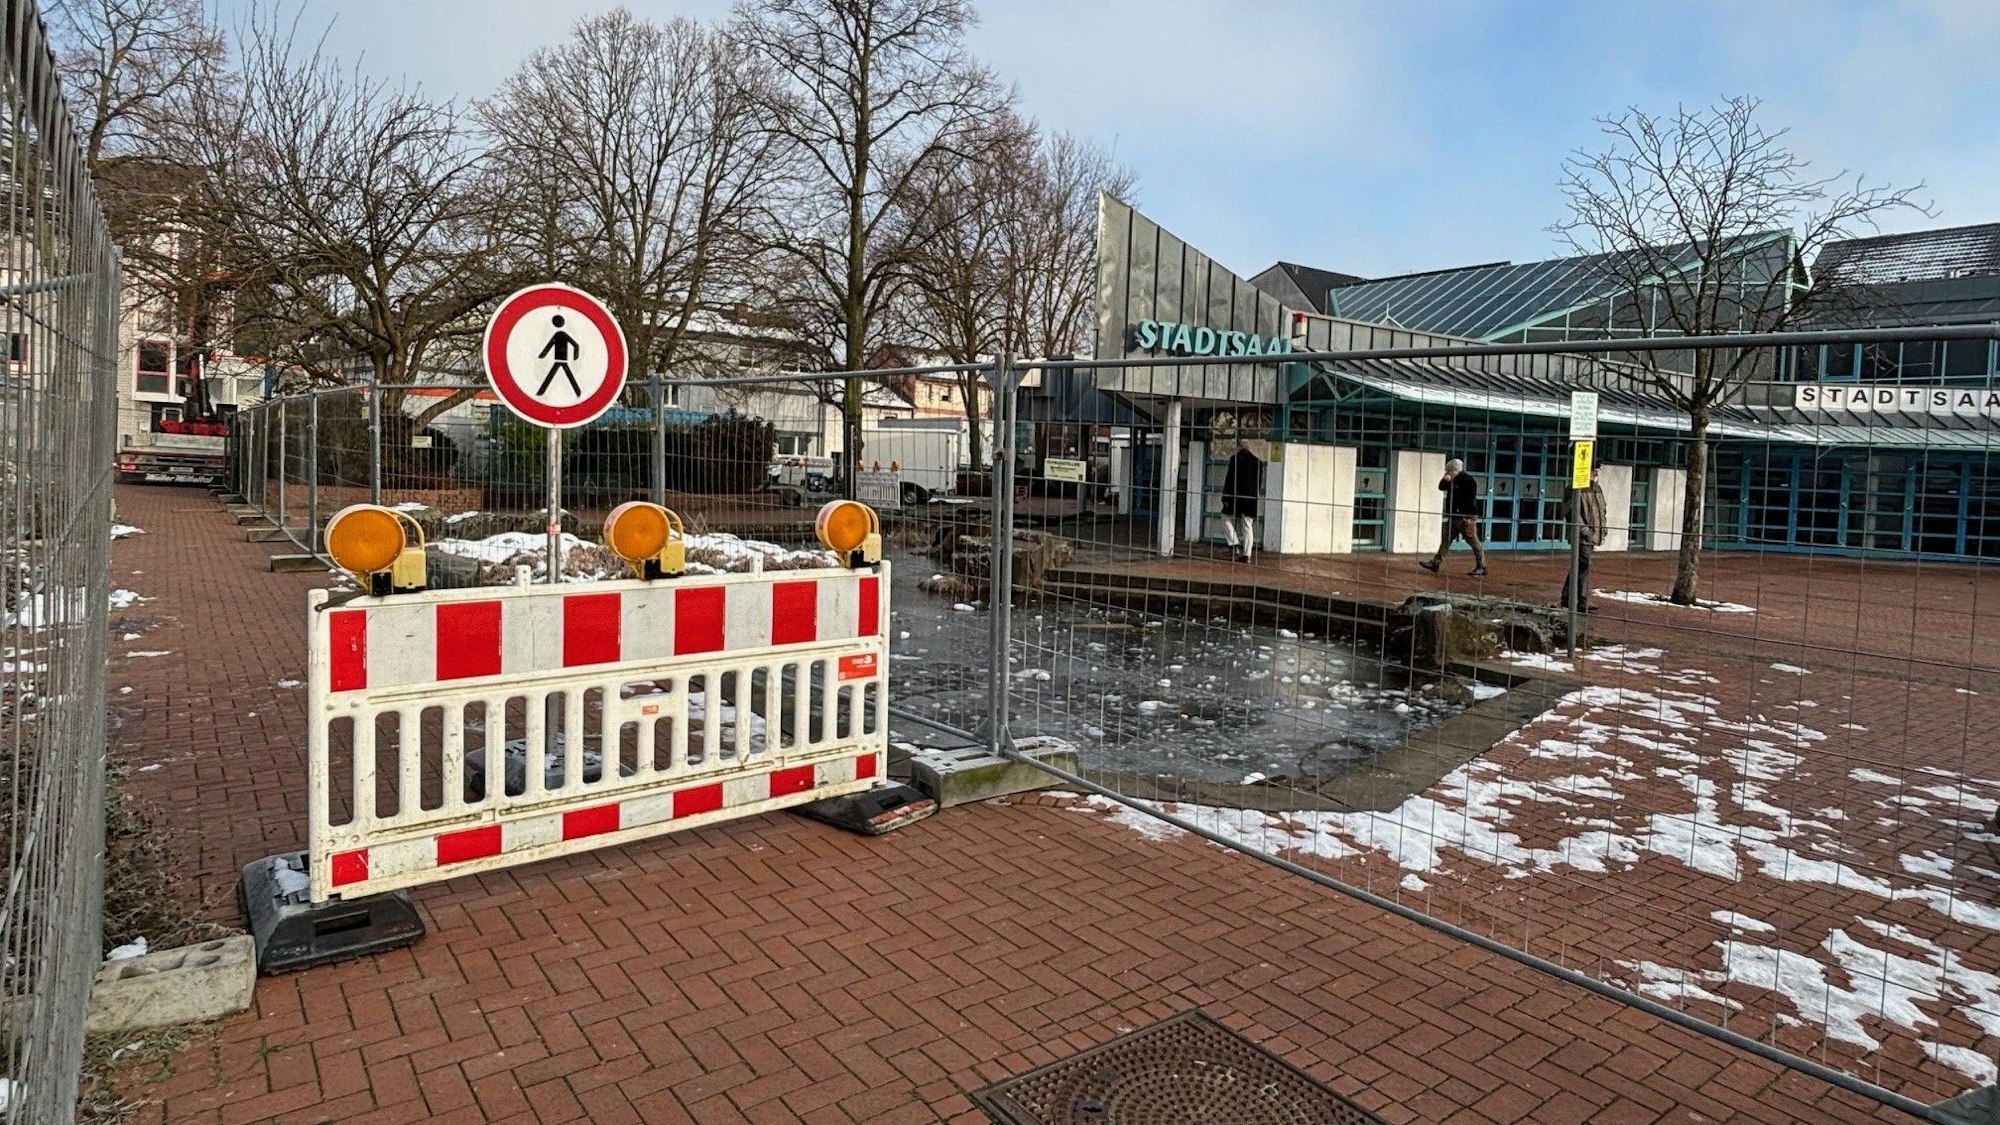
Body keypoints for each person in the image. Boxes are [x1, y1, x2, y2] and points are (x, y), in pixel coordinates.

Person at [1420, 458, 1487, 576]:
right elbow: (1441, 487)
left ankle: (1482, 566)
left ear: (1454, 470)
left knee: (1473, 541)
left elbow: (1469, 500)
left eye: (1448, 471)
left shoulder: (1468, 480)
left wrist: (1469, 515)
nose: (1447, 473)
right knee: (1446, 539)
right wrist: (1445, 480)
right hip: (1453, 517)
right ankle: (1436, 562)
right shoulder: (1452, 480)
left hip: (1465, 518)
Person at [1560, 463, 1608, 614]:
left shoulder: (1596, 488)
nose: (1597, 473)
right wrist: (1585, 530)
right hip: (1581, 535)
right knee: (1584, 564)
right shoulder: (1574, 488)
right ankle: (1582, 599)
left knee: (1579, 565)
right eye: (1595, 470)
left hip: (1593, 534)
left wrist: (1602, 528)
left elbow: (1602, 510)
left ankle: (1567, 597)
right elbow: (1570, 511)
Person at [1219, 438, 1263, 561]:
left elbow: (1229, 480)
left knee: (1224, 517)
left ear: (1239, 447)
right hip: (1251, 499)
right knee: (1247, 526)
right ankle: (1247, 555)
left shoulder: (1235, 460)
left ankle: (1234, 544)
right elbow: (1258, 483)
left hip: (1235, 498)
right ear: (1248, 447)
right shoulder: (1257, 462)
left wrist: (1225, 497)